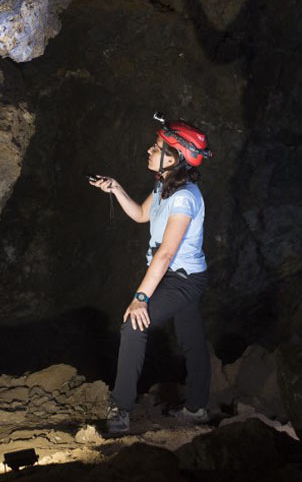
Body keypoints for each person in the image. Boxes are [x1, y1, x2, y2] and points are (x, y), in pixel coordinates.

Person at [89, 113, 213, 434]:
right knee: (191, 339)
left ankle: (121, 408)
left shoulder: (185, 198)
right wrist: (116, 189)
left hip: (183, 278)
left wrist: (141, 297)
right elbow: (142, 214)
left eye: (156, 147)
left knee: (133, 324)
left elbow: (166, 253)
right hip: (176, 274)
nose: (149, 149)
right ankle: (197, 408)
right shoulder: (164, 185)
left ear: (173, 159)